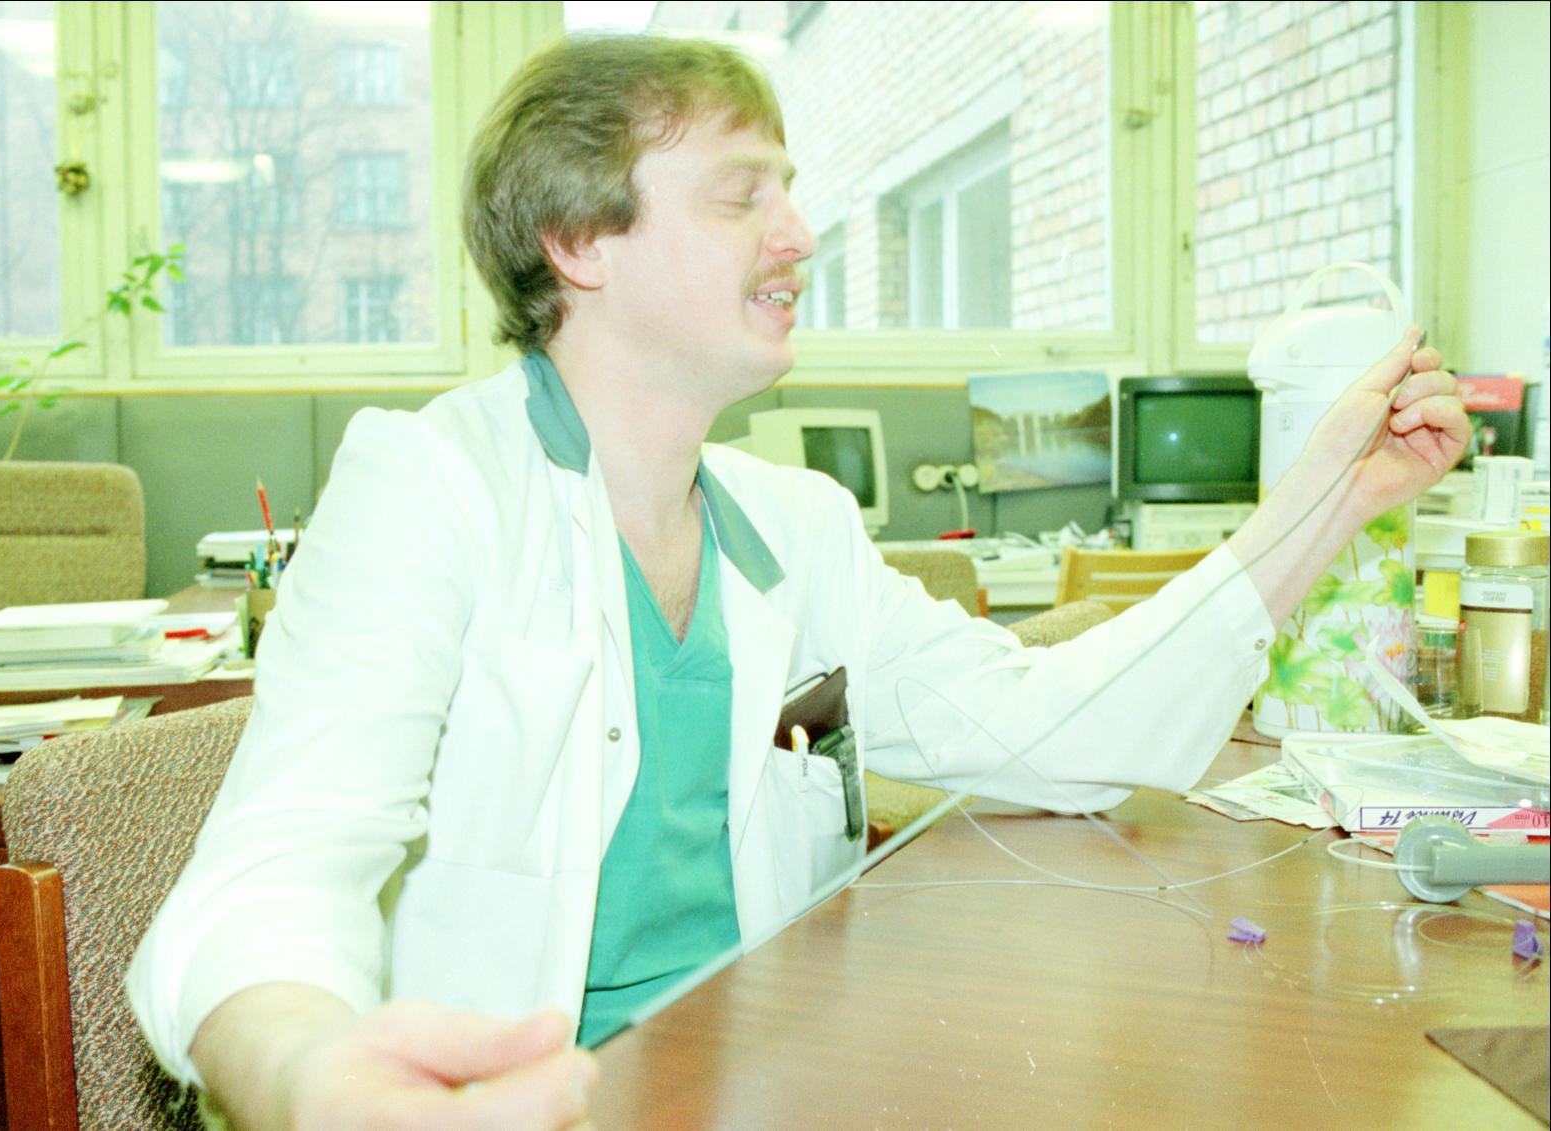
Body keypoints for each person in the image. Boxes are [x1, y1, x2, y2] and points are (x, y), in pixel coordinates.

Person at [128, 33, 1467, 1130]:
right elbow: (272, 876)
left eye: (792, 192)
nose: (800, 233)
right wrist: (307, 1076)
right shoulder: (430, 488)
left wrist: (1332, 498)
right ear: (578, 240)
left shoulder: (796, 526)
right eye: (741, 196)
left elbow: (1056, 737)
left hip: (759, 1082)